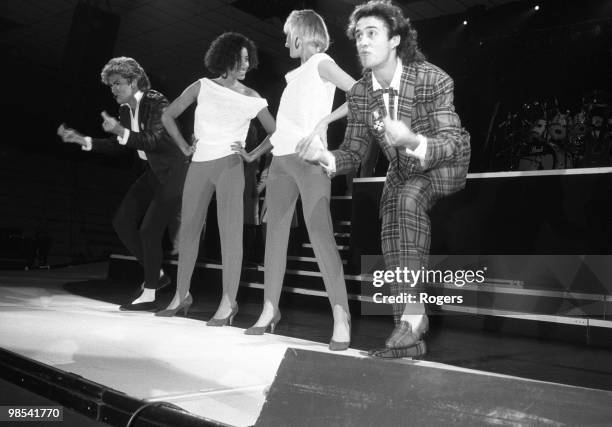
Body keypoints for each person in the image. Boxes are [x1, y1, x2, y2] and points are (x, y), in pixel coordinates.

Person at [297, 0, 471, 358]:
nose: (362, 41)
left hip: (444, 162)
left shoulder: (431, 78)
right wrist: (325, 157)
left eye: (372, 33)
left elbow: (451, 141)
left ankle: (412, 319)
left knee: (407, 200)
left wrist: (410, 140)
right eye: (359, 35)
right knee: (391, 230)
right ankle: (409, 336)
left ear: (395, 40)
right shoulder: (361, 94)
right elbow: (355, 152)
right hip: (403, 170)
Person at [234, 10, 356, 351]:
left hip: (310, 161)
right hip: (280, 164)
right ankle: (269, 309)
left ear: (302, 34)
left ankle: (341, 315)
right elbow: (281, 130)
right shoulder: (294, 77)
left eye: (289, 34)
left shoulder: (321, 62)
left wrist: (323, 123)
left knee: (320, 235)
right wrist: (254, 155)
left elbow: (360, 91)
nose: (286, 40)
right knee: (274, 237)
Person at [158, 32, 275, 323]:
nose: (247, 64)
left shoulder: (252, 98)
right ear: (226, 58)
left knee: (230, 234)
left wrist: (251, 155)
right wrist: (185, 147)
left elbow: (277, 131)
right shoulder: (203, 86)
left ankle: (228, 302)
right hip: (198, 164)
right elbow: (167, 116)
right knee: (188, 232)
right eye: (242, 59)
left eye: (249, 59)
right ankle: (181, 294)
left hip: (230, 166)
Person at [57, 57, 189, 311]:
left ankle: (150, 292)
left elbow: (155, 140)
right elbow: (120, 147)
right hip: (155, 171)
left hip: (176, 170)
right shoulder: (125, 111)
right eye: (110, 86)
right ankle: (157, 274)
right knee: (122, 221)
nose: (113, 89)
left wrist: (120, 132)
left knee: (149, 230)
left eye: (118, 83)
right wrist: (82, 139)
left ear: (134, 81)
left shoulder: (156, 101)